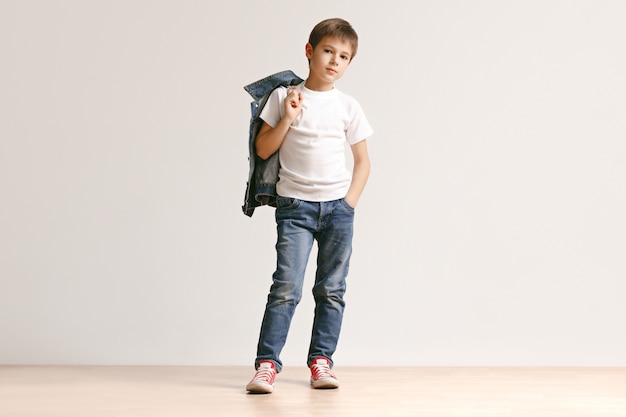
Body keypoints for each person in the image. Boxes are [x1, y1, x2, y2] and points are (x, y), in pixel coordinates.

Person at [246, 17, 373, 394]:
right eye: (328, 51)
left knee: (332, 289)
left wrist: (348, 204)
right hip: (295, 209)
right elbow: (264, 148)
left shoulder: (348, 107)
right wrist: (288, 117)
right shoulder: (285, 97)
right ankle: (267, 365)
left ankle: (321, 361)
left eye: (344, 56)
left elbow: (363, 162)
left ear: (349, 63)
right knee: (286, 287)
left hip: (337, 211)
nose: (335, 60)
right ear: (309, 51)